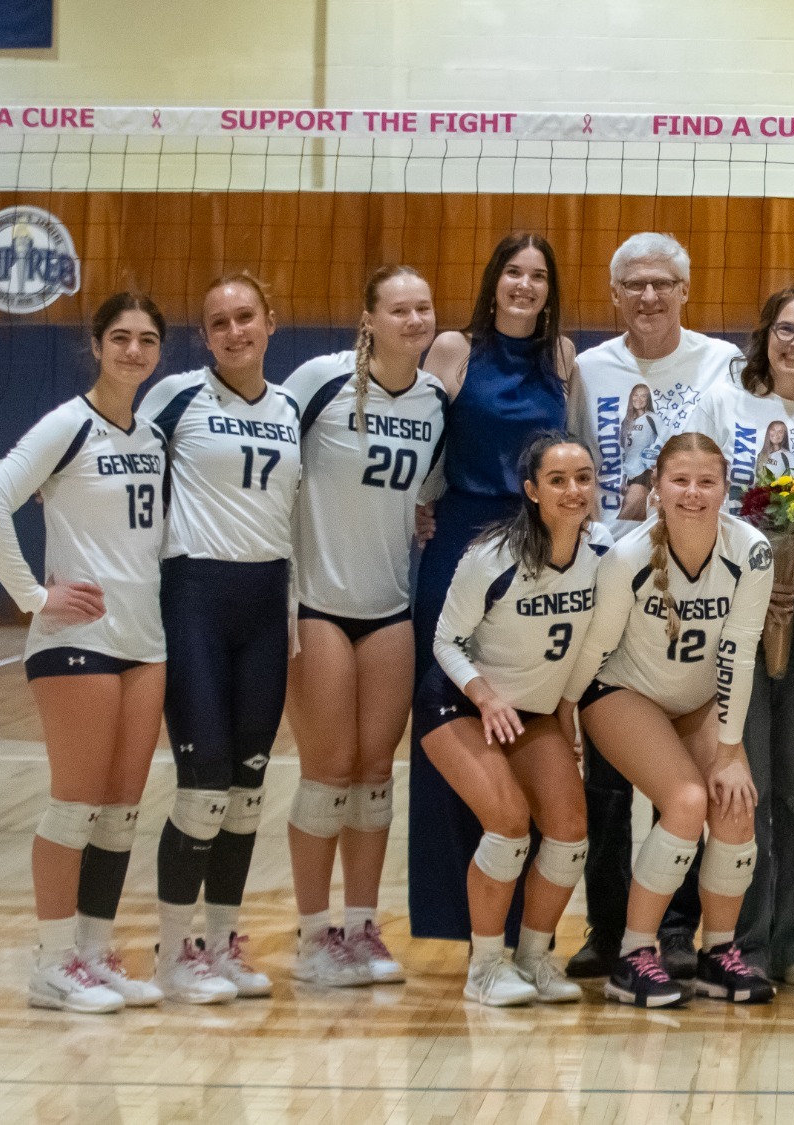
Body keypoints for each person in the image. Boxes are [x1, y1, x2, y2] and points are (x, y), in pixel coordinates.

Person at [0, 293, 170, 1012]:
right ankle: (52, 960)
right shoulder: (69, 424)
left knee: (120, 810)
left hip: (142, 643)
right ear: (96, 344)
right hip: (77, 643)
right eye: (120, 337)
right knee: (74, 804)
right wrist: (34, 596)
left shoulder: (152, 435)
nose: (132, 350)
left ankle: (94, 952)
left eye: (146, 339)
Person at [676, 284, 794, 988]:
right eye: (786, 329)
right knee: (741, 782)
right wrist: (752, 575)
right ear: (765, 334)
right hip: (735, 616)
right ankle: (741, 939)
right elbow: (699, 496)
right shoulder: (725, 400)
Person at [138, 273, 304, 1003]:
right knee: (202, 788)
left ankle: (223, 940)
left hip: (268, 604)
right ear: (204, 336)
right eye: (218, 323)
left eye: (245, 317)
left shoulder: (293, 406)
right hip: (196, 599)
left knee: (246, 790)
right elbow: (117, 458)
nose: (234, 331)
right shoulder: (175, 396)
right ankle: (174, 951)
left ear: (271, 320)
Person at [411, 232, 580, 944]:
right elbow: (419, 442)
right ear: (494, 280)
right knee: (452, 712)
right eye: (514, 271)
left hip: (534, 547)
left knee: (524, 709)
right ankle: (453, 915)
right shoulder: (453, 348)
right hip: (459, 541)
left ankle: (516, 923)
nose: (525, 284)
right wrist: (418, 504)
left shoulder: (562, 358)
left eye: (538, 275)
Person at [567, 433, 775, 1007]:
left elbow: (739, 650)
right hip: (622, 692)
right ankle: (634, 957)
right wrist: (563, 714)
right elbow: (594, 650)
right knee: (685, 802)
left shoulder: (751, 550)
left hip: (700, 699)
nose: (692, 492)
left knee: (736, 806)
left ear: (725, 489)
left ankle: (719, 954)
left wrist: (731, 753)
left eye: (707, 482)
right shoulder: (628, 557)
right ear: (656, 487)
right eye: (679, 480)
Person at [280, 266, 444, 989]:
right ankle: (314, 934)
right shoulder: (320, 379)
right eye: (398, 309)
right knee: (328, 770)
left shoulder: (438, 402)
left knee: (376, 773)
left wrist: (423, 515)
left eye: (423, 308)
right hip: (316, 602)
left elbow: (427, 495)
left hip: (388, 605)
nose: (414, 319)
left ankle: (362, 925)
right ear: (369, 317)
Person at [420, 433, 603, 1007]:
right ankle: (485, 967)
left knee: (571, 831)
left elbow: (590, 651)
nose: (573, 491)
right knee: (506, 824)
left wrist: (567, 716)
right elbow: (445, 640)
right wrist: (486, 695)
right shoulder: (492, 556)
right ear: (531, 491)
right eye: (557, 480)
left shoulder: (604, 558)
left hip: (537, 710)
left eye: (583, 478)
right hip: (461, 702)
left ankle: (534, 958)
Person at [575, 233, 741, 525]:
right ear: (615, 294)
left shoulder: (724, 362)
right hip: (606, 552)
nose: (649, 297)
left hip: (694, 548)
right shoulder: (588, 369)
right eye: (635, 285)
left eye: (663, 283)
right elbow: (573, 463)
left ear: (685, 290)